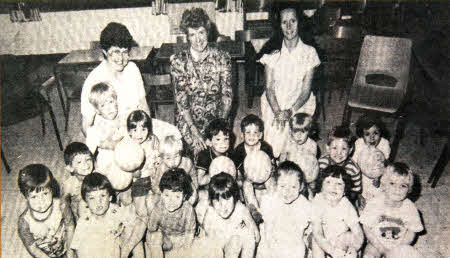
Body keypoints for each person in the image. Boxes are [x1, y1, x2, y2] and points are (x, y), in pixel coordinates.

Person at [258, 6, 320, 157]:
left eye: (293, 21)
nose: (289, 27)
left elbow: (305, 91)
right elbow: (269, 89)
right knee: (273, 146)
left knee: (296, 142)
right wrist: (278, 112)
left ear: (300, 22)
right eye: (284, 22)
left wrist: (290, 112)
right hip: (275, 103)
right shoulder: (272, 51)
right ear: (279, 26)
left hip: (299, 103)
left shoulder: (309, 52)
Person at [170, 7, 233, 156]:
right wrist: (193, 130)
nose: (198, 39)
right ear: (187, 37)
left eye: (201, 32)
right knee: (195, 156)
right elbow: (181, 101)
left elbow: (227, 96)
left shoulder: (223, 58)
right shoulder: (178, 62)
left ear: (207, 32)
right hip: (189, 119)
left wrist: (218, 129)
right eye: (192, 34)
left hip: (217, 116)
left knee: (219, 153)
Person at [81, 22, 149, 134]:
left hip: (137, 128)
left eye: (125, 52)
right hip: (111, 134)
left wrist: (148, 133)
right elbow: (85, 128)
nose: (121, 58)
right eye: (116, 52)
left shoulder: (133, 69)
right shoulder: (93, 80)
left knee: (172, 135)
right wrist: (106, 143)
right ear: (105, 52)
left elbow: (144, 105)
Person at [70, 173, 146, 258]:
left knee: (133, 233)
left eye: (102, 196)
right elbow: (77, 248)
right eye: (92, 198)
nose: (98, 202)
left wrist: (127, 248)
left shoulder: (117, 212)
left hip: (117, 251)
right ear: (86, 202)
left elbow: (138, 225)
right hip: (97, 252)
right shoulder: (84, 220)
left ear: (110, 197)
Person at [359, 162, 423, 258]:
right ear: (384, 185)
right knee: (368, 255)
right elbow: (366, 227)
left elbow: (412, 231)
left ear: (409, 189)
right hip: (376, 242)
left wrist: (398, 248)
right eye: (392, 183)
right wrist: (381, 248)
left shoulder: (410, 208)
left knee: (413, 254)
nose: (397, 189)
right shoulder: (375, 203)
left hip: (399, 243)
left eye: (403, 186)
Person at [17, 164, 76, 258]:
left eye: (45, 194)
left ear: (52, 190)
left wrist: (70, 252)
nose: (41, 201)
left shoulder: (62, 205)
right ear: (26, 197)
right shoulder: (24, 222)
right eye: (34, 197)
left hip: (68, 246)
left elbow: (70, 227)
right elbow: (33, 249)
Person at [194, 173, 258, 258]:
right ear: (211, 202)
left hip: (235, 240)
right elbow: (209, 239)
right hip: (219, 241)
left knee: (248, 236)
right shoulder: (211, 212)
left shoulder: (240, 208)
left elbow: (256, 233)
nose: (222, 205)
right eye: (217, 200)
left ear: (235, 197)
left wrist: (250, 237)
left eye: (227, 199)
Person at [257, 161, 312, 258]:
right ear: (276, 184)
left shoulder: (304, 204)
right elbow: (268, 229)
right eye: (282, 186)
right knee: (264, 251)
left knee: (300, 249)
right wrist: (273, 247)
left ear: (301, 187)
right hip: (271, 238)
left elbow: (298, 235)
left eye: (293, 187)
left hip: (292, 239)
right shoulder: (269, 200)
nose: (287, 191)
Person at [311, 165, 364, 258]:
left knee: (349, 237)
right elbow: (317, 233)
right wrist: (332, 251)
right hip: (321, 238)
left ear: (344, 191)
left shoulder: (346, 205)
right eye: (328, 182)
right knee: (316, 241)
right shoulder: (317, 202)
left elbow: (358, 233)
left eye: (339, 184)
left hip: (339, 239)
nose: (334, 187)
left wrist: (354, 248)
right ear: (321, 187)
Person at [146, 168, 197, 258]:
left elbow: (189, 234)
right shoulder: (158, 207)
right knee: (155, 236)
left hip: (182, 240)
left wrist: (185, 251)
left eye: (177, 196)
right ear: (161, 194)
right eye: (167, 195)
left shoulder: (188, 209)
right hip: (166, 241)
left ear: (184, 197)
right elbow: (151, 228)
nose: (171, 201)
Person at [126, 110, 161, 217]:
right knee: (141, 212)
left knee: (156, 207)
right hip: (138, 181)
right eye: (135, 130)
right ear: (129, 132)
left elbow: (159, 155)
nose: (139, 134)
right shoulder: (128, 145)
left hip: (154, 177)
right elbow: (125, 165)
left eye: (143, 129)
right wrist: (133, 172)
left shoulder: (153, 139)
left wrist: (158, 162)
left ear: (149, 129)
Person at [85, 82, 124, 172]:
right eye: (103, 105)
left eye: (110, 102)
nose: (108, 108)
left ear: (116, 102)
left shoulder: (122, 119)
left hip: (124, 159)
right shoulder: (96, 128)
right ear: (97, 110)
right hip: (108, 164)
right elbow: (88, 153)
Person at [318, 126, 361, 204]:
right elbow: (317, 184)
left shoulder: (353, 169)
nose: (339, 153)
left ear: (350, 150)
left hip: (343, 197)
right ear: (328, 148)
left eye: (344, 149)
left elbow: (355, 191)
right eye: (334, 148)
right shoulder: (322, 162)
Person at [280, 113, 319, 198]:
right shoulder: (288, 143)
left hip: (306, 177)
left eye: (303, 132)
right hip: (291, 173)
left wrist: (309, 180)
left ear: (309, 131)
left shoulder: (312, 145)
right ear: (290, 131)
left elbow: (312, 164)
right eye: (295, 131)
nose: (299, 136)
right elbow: (282, 160)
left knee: (310, 195)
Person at [231, 114, 274, 185]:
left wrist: (269, 176)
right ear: (242, 135)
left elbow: (272, 166)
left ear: (260, 135)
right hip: (247, 179)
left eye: (255, 132)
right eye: (248, 132)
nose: (252, 136)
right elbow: (236, 171)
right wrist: (241, 178)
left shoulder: (266, 147)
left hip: (265, 178)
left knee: (272, 183)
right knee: (243, 185)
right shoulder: (239, 151)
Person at [155, 135, 198, 205]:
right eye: (168, 158)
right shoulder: (162, 167)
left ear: (181, 153)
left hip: (184, 192)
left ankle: (188, 209)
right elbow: (156, 184)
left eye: (176, 156)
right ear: (162, 158)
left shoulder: (187, 163)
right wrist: (164, 194)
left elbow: (194, 177)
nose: (173, 161)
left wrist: (193, 189)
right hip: (168, 194)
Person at [62, 142, 94, 220]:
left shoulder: (98, 176)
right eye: (79, 162)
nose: (86, 164)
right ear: (70, 168)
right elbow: (64, 202)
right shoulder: (69, 184)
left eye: (88, 159)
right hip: (79, 214)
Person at [196, 118, 232, 188]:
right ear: (209, 142)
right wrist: (217, 173)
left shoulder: (229, 154)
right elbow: (200, 181)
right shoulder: (204, 155)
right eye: (218, 139)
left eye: (226, 139)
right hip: (208, 188)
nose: (223, 143)